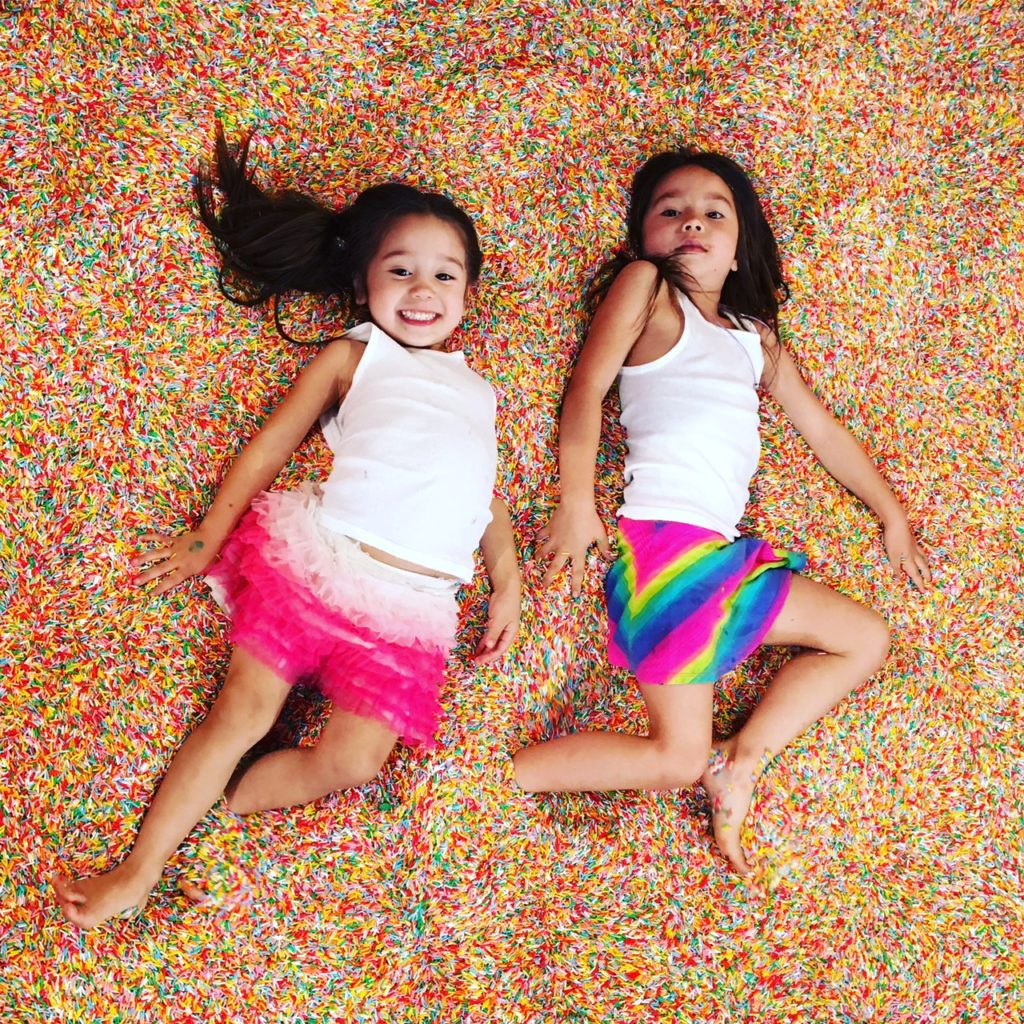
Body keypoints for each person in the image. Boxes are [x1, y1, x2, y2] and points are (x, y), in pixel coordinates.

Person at [53, 127, 521, 928]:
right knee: (243, 713)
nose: (422, 288)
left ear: (469, 296)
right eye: (399, 269)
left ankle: (229, 811)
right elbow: (274, 441)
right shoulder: (354, 355)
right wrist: (209, 533)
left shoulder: (478, 391)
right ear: (362, 280)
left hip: (412, 612)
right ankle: (139, 868)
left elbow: (485, 492)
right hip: (322, 565)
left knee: (353, 761)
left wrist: (507, 578)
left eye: (445, 275)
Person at [513, 148, 931, 874]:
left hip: (725, 556)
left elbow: (823, 430)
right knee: (672, 758)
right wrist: (575, 502)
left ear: (741, 249)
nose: (692, 222)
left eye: (714, 212)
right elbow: (584, 392)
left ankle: (739, 762)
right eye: (670, 210)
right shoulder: (648, 290)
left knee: (865, 639)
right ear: (644, 236)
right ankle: (504, 778)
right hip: (666, 554)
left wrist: (889, 513)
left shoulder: (754, 339)